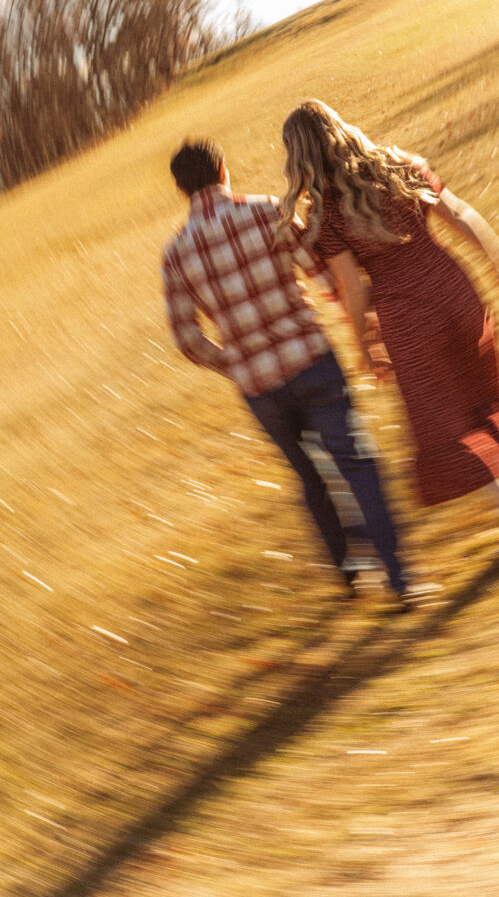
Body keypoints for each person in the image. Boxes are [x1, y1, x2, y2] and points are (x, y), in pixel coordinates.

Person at [161, 138, 409, 603]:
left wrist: (235, 364)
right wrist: (366, 330)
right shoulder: (266, 211)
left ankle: (352, 576)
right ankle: (400, 578)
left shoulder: (176, 253)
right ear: (223, 168)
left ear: (181, 189)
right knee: (356, 462)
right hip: (312, 361)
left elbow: (187, 340)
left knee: (310, 478)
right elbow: (320, 277)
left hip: (260, 388)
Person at [281, 99, 499, 508]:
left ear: (301, 158)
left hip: (409, 322)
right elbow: (461, 214)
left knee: (446, 425)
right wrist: (495, 258)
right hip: (455, 291)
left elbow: (353, 288)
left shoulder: (326, 216)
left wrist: (363, 350)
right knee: (488, 393)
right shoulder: (401, 166)